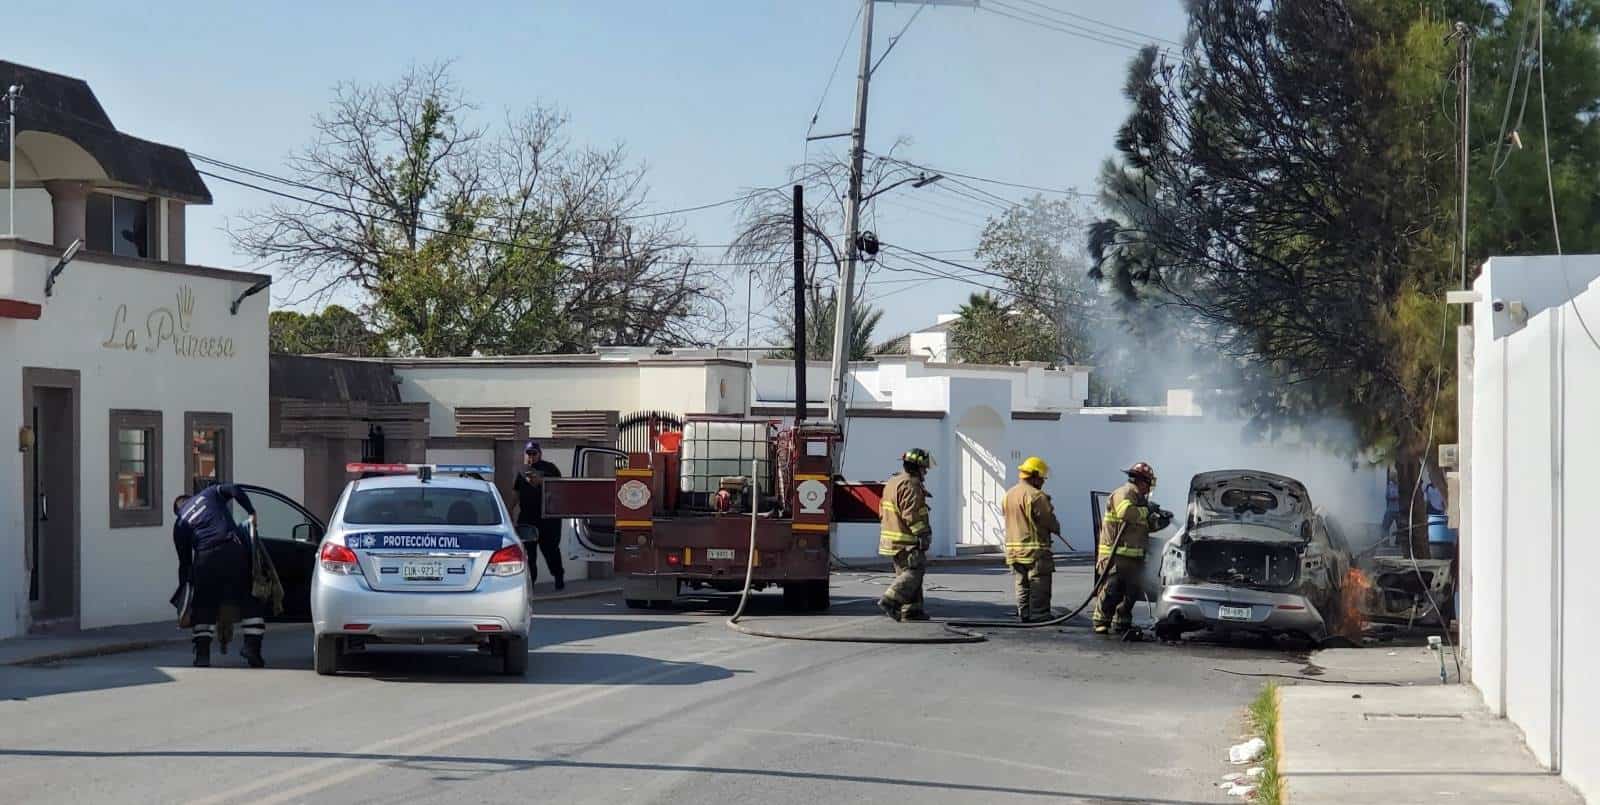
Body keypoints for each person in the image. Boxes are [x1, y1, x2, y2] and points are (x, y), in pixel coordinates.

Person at [172, 483, 263, 668]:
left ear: (177, 511)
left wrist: (186, 592)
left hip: (205, 558)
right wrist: (251, 512)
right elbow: (235, 489)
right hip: (231, 548)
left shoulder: (180, 523)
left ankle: (202, 654)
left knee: (204, 605)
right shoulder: (209, 493)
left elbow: (185, 563)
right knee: (250, 598)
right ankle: (251, 648)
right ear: (191, 497)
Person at [1093, 462, 1157, 635]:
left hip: (1134, 557)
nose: (1149, 488)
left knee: (1131, 592)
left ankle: (1122, 622)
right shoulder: (1124, 493)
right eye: (1148, 483)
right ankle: (1102, 621)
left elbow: (1144, 526)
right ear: (1142, 481)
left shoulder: (1140, 499)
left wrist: (1158, 519)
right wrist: (1146, 510)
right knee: (1112, 590)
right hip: (1115, 556)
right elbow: (1126, 513)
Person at [877, 448, 935, 622]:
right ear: (916, 467)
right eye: (924, 468)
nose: (925, 472)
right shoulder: (911, 484)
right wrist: (923, 534)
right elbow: (912, 514)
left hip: (893, 539)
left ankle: (912, 611)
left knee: (906, 572)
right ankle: (890, 600)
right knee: (915, 571)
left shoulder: (893, 482)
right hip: (906, 540)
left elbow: (881, 511)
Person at [1003, 456, 1061, 622]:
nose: (1043, 481)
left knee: (1021, 583)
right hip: (1035, 550)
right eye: (1042, 478)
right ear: (1034, 476)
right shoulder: (1036, 496)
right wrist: (1056, 528)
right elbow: (1048, 519)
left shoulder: (1008, 495)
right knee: (1039, 582)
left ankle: (1024, 613)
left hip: (1013, 550)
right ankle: (1039, 614)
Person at [512, 440, 565, 590]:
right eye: (528, 453)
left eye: (534, 453)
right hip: (528, 518)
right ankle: (531, 583)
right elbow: (516, 493)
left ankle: (558, 576)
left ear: (540, 454)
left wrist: (541, 481)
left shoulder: (550, 468)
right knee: (529, 553)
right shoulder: (522, 472)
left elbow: (558, 488)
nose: (531, 456)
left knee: (551, 550)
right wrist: (509, 510)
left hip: (548, 519)